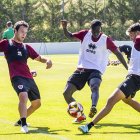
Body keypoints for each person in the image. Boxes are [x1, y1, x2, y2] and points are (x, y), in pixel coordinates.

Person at [61, 19, 128, 123]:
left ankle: (93, 107)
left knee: (95, 86)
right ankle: (80, 115)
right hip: (82, 68)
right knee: (66, 93)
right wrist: (65, 27)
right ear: (90, 29)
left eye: (98, 31)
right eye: (94, 31)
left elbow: (118, 53)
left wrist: (127, 68)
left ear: (100, 29)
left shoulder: (106, 39)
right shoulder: (84, 34)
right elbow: (69, 35)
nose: (96, 34)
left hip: (96, 69)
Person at [78, 22, 140, 134]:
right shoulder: (136, 44)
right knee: (127, 100)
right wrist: (117, 61)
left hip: (135, 79)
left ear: (137, 33)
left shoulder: (139, 39)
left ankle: (88, 126)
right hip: (134, 78)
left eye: (131, 35)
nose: (130, 37)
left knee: (111, 100)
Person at [0, 21, 52, 133]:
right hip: (16, 76)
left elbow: (39, 58)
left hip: (28, 77)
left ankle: (20, 120)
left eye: (25, 32)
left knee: (37, 103)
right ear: (15, 31)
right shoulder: (6, 44)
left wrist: (47, 60)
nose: (24, 34)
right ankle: (23, 124)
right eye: (22, 32)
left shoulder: (26, 47)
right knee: (23, 96)